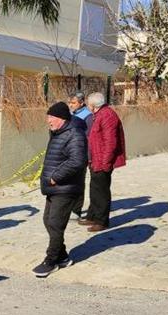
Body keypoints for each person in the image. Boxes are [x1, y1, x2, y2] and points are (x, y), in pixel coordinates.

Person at [32, 102, 87, 278]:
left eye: (51, 118)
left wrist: (56, 177)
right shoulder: (57, 133)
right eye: (48, 117)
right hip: (54, 187)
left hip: (66, 187)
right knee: (48, 220)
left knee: (55, 223)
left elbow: (77, 161)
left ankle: (51, 260)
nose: (48, 121)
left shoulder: (75, 135)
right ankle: (63, 257)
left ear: (61, 119)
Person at [79, 92, 127, 232]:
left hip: (102, 161)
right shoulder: (98, 114)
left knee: (101, 191)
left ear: (93, 105)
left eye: (88, 103)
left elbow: (110, 142)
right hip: (95, 159)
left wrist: (105, 163)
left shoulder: (107, 115)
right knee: (94, 189)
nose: (87, 106)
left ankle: (101, 221)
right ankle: (92, 216)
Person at [68, 92, 93, 220]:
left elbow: (88, 136)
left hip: (81, 153)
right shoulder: (71, 114)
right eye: (70, 102)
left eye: (73, 103)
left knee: (78, 182)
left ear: (81, 103)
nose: (71, 105)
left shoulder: (87, 116)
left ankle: (76, 209)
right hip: (69, 153)